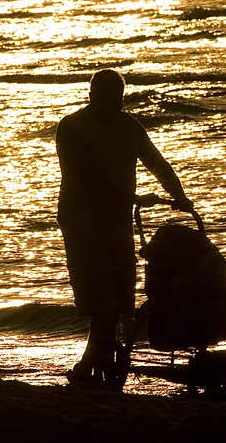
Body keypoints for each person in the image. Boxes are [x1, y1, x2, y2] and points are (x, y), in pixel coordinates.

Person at [55, 69, 193, 387]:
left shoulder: (128, 126)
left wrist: (180, 196)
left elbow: (157, 163)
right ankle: (91, 362)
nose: (114, 105)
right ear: (91, 96)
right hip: (81, 222)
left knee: (117, 296)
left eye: (118, 99)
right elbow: (84, 178)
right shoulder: (72, 128)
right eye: (108, 98)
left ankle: (96, 361)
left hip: (115, 222)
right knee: (100, 297)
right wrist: (132, 196)